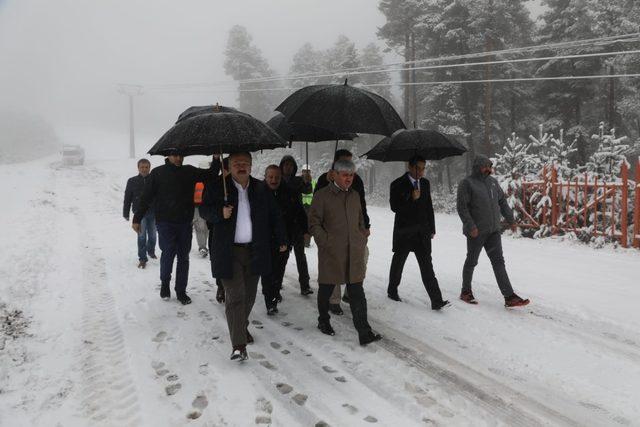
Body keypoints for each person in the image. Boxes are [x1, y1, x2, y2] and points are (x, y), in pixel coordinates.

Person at [200, 152, 286, 361]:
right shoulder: (217, 186)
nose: (241, 166)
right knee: (236, 296)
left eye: (245, 163)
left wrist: (282, 238)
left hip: (255, 249)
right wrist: (220, 213)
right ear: (229, 166)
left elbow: (274, 215)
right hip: (228, 251)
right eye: (237, 163)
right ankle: (239, 345)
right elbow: (203, 211)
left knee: (249, 296)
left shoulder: (261, 188)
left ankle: (240, 325)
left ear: (251, 165)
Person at [308, 159, 382, 346]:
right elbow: (314, 223)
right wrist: (325, 242)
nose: (349, 178)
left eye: (351, 175)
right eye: (344, 175)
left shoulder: (355, 196)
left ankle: (364, 332)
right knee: (326, 289)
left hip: (354, 251)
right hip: (331, 251)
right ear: (334, 175)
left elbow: (360, 219)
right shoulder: (322, 196)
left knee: (357, 292)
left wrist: (361, 236)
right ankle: (323, 320)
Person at [132, 151, 218, 305]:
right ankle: (165, 284)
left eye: (181, 155)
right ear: (168, 155)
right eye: (175, 155)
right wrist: (137, 218)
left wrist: (216, 158)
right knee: (168, 253)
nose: (178, 158)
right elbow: (146, 197)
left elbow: (211, 174)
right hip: (165, 222)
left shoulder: (189, 171)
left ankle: (181, 290)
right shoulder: (158, 173)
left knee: (183, 257)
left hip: (185, 222)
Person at [456, 154, 530, 307]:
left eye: (489, 166)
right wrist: (471, 227)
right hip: (476, 231)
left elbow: (502, 202)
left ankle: (509, 296)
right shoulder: (467, 183)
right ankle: (465, 291)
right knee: (472, 261)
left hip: (493, 231)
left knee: (498, 262)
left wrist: (511, 219)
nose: (488, 169)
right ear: (477, 167)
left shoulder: (493, 183)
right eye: (485, 166)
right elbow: (462, 207)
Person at [387, 156, 449, 310]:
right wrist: (410, 198)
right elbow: (395, 207)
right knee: (398, 263)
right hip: (405, 232)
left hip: (422, 233)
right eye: (418, 168)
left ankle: (436, 300)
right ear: (410, 166)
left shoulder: (425, 184)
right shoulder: (397, 184)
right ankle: (392, 290)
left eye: (423, 168)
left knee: (427, 266)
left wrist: (432, 228)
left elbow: (429, 207)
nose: (421, 172)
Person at [315, 149, 370, 314]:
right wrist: (324, 240)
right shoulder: (324, 180)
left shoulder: (356, 180)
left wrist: (364, 227)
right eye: (344, 161)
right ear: (336, 163)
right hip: (332, 234)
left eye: (350, 162)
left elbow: (361, 204)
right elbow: (318, 207)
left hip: (353, 234)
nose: (348, 169)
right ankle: (333, 301)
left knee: (361, 259)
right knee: (334, 270)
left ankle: (350, 292)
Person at [262, 165, 311, 315]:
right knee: (267, 270)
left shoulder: (288, 192)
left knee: (279, 269)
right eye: (270, 177)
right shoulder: (258, 192)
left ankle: (274, 292)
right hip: (264, 239)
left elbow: (299, 211)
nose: (273, 180)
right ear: (265, 177)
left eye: (276, 177)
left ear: (281, 177)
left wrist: (305, 229)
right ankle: (269, 299)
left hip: (284, 238)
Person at [278, 155, 312, 294]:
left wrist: (307, 182)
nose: (288, 167)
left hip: (297, 224)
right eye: (286, 164)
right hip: (282, 225)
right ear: (281, 166)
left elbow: (307, 190)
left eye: (291, 165)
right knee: (282, 257)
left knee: (300, 256)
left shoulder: (298, 180)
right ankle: (277, 284)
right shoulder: (277, 179)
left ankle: (305, 285)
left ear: (294, 167)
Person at [123, 158, 156, 268]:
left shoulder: (154, 180)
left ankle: (151, 251)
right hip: (139, 214)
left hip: (153, 212)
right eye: (142, 167)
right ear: (138, 168)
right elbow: (127, 198)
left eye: (146, 167)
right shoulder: (132, 181)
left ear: (149, 168)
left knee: (152, 235)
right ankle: (142, 258)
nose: (144, 169)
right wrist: (126, 213)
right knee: (141, 236)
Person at [192, 160, 211, 258]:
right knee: (200, 228)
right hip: (194, 207)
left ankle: (203, 246)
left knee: (203, 228)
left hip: (202, 207)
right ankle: (202, 247)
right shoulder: (194, 180)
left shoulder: (209, 181)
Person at [300, 164, 316, 248]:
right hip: (301, 206)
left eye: (308, 171)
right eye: (304, 171)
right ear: (302, 172)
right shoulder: (298, 181)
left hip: (310, 207)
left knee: (309, 225)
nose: (306, 173)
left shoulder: (314, 182)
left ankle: (307, 242)